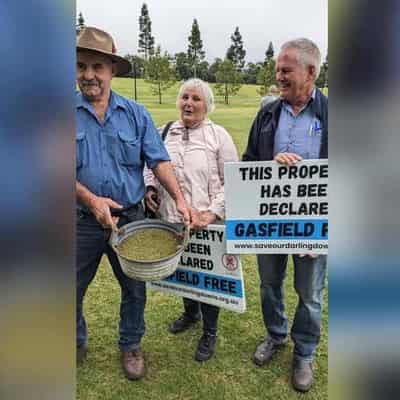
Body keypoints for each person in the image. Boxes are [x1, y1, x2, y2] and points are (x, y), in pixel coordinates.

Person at [75, 27, 191, 381]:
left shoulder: (136, 114)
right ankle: (74, 341)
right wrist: (92, 199)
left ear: (111, 70)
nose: (89, 74)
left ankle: (131, 345)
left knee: (135, 290)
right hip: (80, 219)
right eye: (81, 66)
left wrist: (180, 198)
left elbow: (158, 160)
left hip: (132, 219)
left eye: (97, 66)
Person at [243, 38, 328, 392]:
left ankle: (304, 352)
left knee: (309, 293)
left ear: (311, 72)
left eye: (285, 70)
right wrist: (270, 164)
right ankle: (276, 335)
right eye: (277, 69)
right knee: (268, 284)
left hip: (314, 225)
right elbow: (249, 162)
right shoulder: (267, 113)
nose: (278, 76)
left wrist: (325, 228)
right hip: (269, 222)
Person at [144, 78, 238, 362]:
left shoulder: (218, 135)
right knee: (184, 270)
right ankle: (190, 313)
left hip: (207, 222)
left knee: (208, 276)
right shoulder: (165, 132)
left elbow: (232, 180)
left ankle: (209, 331)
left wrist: (212, 212)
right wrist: (149, 188)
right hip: (173, 220)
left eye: (196, 98)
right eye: (185, 97)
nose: (189, 103)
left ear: (207, 105)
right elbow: (151, 165)